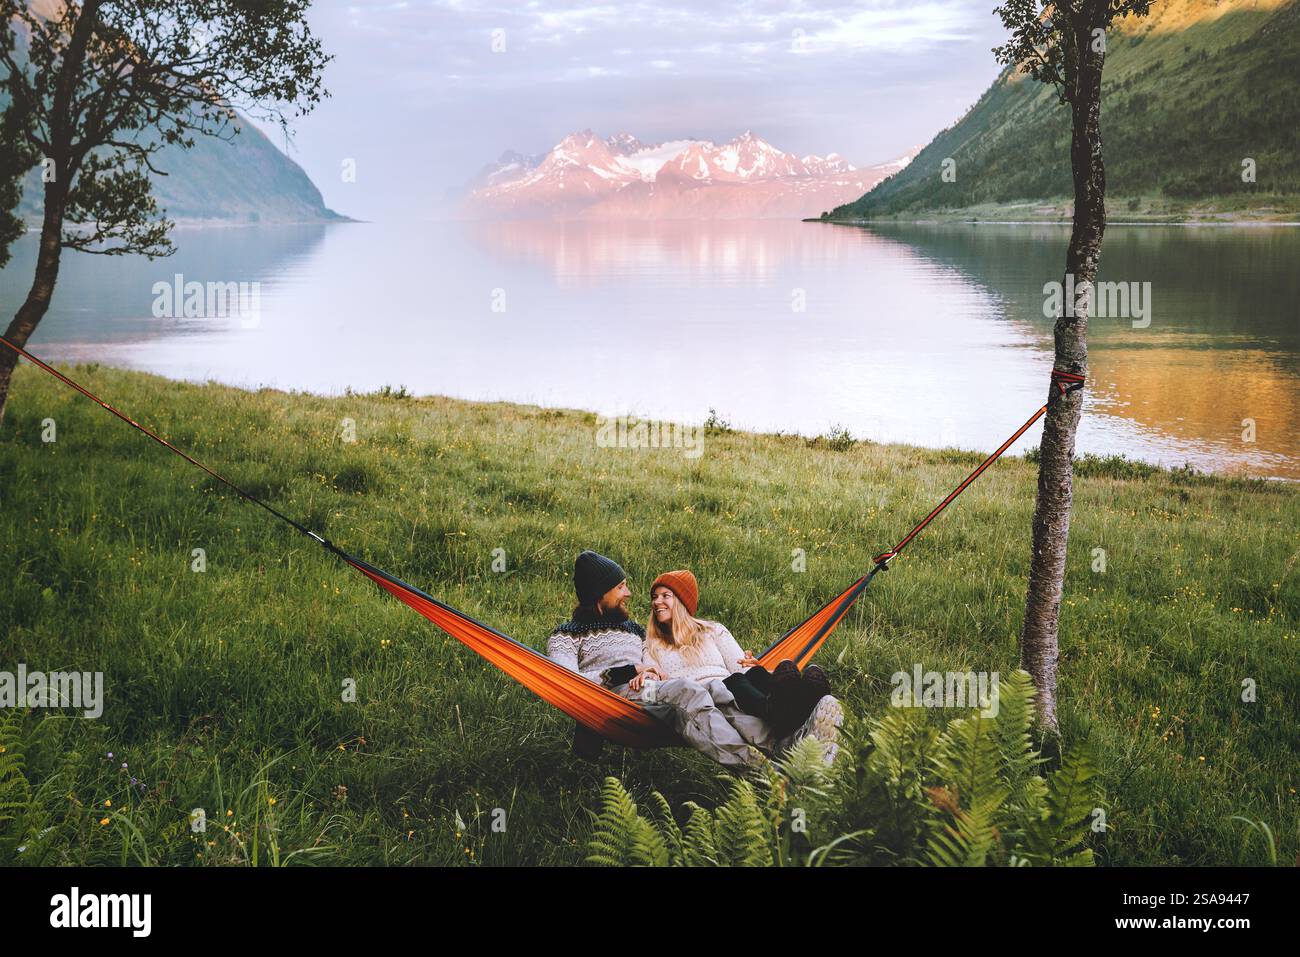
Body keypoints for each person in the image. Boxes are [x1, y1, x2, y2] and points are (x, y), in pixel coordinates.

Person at [633, 569, 842, 763]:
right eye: (654, 597)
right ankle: (801, 728)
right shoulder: (651, 646)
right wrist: (645, 677)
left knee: (763, 672)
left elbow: (740, 665)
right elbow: (654, 680)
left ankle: (808, 705)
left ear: (681, 601)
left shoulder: (713, 630)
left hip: (736, 684)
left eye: (664, 596)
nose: (656, 602)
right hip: (702, 695)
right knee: (731, 684)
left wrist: (763, 672)